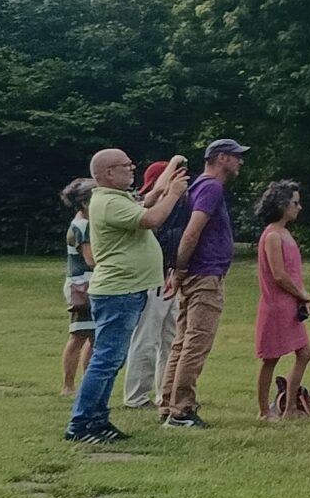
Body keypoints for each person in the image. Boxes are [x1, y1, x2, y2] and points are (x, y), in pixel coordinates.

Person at [66, 147, 192, 444]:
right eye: (126, 165)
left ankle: (98, 420)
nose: (132, 168)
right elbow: (152, 218)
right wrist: (174, 193)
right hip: (118, 292)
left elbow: (149, 198)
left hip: (124, 291)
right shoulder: (109, 202)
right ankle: (81, 424)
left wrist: (172, 166)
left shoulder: (114, 198)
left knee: (110, 361)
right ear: (108, 173)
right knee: (105, 361)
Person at [160, 137, 248, 429]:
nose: (240, 162)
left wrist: (179, 271)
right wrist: (180, 269)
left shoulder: (197, 185)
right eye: (236, 156)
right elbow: (191, 232)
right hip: (205, 275)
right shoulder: (211, 187)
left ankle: (167, 404)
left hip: (195, 273)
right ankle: (181, 411)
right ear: (222, 158)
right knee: (196, 344)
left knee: (181, 343)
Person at [121, 160, 180, 417]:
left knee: (171, 338)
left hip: (169, 277)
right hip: (153, 280)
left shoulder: (173, 208)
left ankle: (165, 391)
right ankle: (136, 395)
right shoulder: (148, 208)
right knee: (146, 337)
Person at [252, 180, 310, 421]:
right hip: (276, 306)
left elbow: (295, 272)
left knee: (305, 353)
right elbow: (279, 275)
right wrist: (302, 295)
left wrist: (302, 297)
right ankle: (264, 411)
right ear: (281, 205)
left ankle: (289, 408)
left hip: (291, 305)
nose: (299, 207)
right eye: (295, 203)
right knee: (270, 359)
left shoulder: (285, 233)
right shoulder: (272, 236)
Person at [59, 178, 96, 396]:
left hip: (89, 285)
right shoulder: (82, 226)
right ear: (85, 203)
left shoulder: (84, 223)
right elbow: (91, 259)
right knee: (79, 335)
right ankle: (68, 385)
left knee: (93, 335)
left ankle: (86, 383)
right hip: (82, 287)